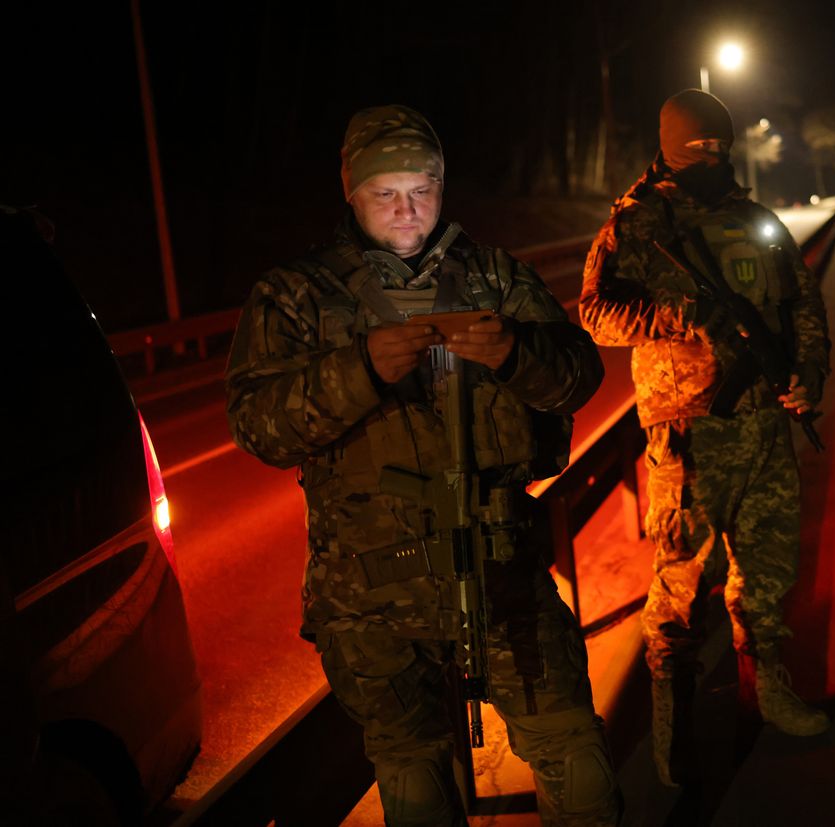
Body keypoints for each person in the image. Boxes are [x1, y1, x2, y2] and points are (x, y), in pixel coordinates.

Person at [225, 105, 621, 826]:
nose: (408, 210)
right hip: (372, 595)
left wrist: (513, 352)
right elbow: (258, 425)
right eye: (386, 193)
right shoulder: (297, 295)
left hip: (501, 570)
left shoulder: (496, 277)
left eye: (424, 189)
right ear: (351, 194)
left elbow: (578, 378)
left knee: (576, 756)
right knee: (412, 778)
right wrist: (360, 370)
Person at [580, 89, 831, 787]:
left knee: (769, 566)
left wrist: (808, 372)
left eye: (720, 148)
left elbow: (802, 305)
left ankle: (770, 690)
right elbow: (596, 314)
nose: (713, 159)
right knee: (683, 584)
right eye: (700, 148)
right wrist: (669, 313)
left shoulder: (754, 220)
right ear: (670, 147)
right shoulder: (636, 224)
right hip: (687, 432)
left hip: (764, 422)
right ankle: (674, 725)